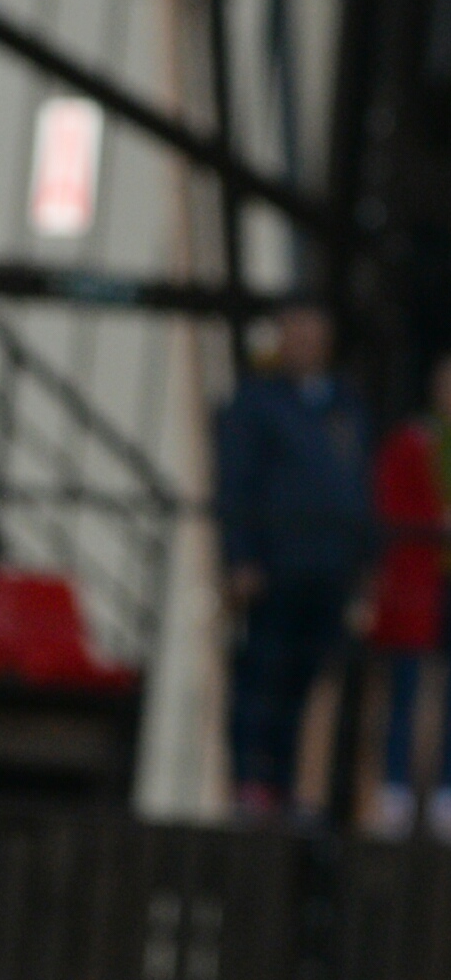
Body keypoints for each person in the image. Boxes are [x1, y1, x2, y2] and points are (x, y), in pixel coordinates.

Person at [212, 302, 378, 823]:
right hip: (276, 563)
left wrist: (364, 566)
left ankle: (285, 789)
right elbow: (236, 484)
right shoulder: (257, 402)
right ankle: (249, 784)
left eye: (314, 331)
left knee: (307, 682)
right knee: (262, 675)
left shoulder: (347, 406)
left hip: (329, 567)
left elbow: (360, 488)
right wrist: (241, 557)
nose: (304, 341)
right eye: (295, 331)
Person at [369, 352, 451, 838]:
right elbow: (389, 506)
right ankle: (393, 791)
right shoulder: (410, 441)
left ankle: (446, 795)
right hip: (419, 585)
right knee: (404, 691)